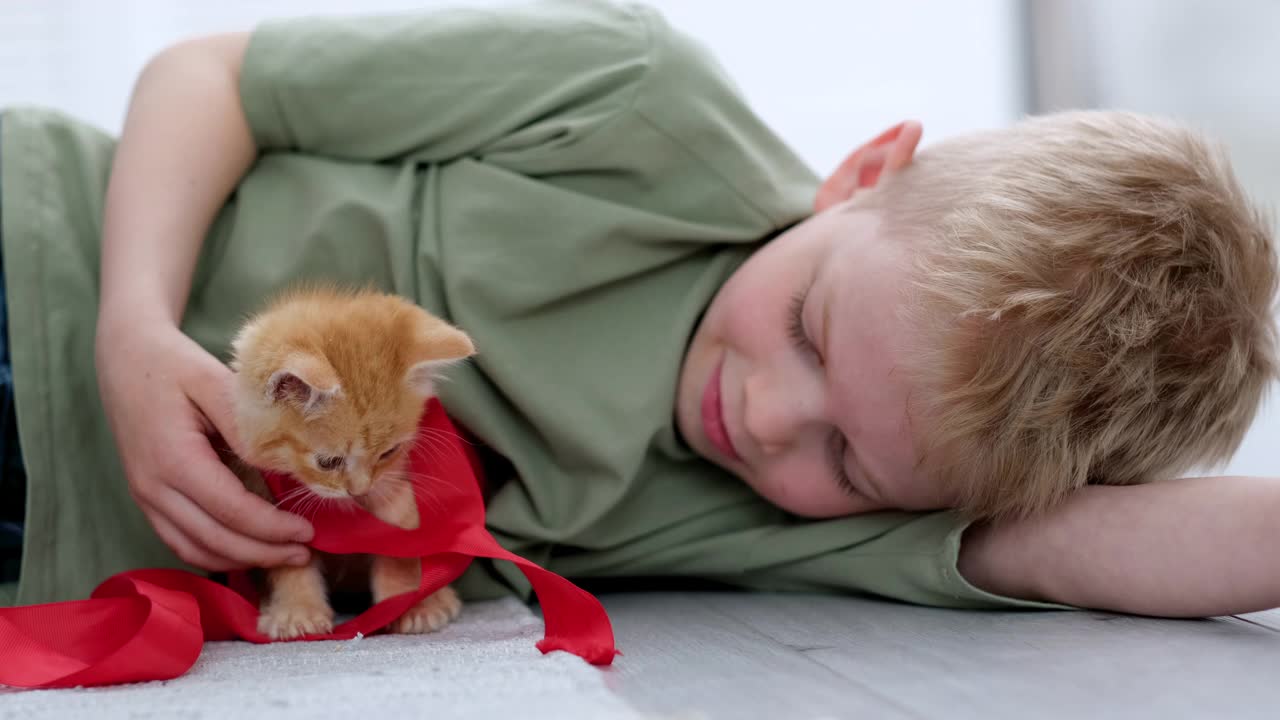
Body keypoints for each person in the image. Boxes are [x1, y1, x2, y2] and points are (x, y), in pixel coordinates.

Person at [0, 0, 1276, 616]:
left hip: (35, 554)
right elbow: (216, 79)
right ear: (860, 177)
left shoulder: (804, 518)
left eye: (843, 455)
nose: (767, 417)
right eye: (809, 327)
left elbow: (1085, 548)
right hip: (36, 252)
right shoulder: (632, 96)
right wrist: (133, 327)